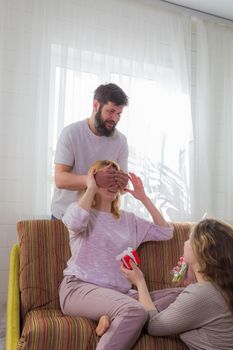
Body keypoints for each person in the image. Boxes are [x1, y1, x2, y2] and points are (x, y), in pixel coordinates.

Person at [59, 160, 174, 350]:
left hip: (119, 295)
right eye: (107, 177)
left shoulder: (129, 220)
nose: (113, 183)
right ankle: (115, 314)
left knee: (180, 295)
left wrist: (143, 198)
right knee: (134, 310)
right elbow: (75, 223)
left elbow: (165, 232)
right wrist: (91, 186)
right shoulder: (79, 211)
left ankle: (110, 316)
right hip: (79, 288)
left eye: (117, 178)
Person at [119, 218, 233, 350]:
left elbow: (153, 326)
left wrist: (139, 281)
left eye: (189, 239)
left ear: (199, 250)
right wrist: (191, 281)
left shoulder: (202, 294)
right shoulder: (218, 288)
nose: (185, 243)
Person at [51, 83, 129, 220]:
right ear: (96, 105)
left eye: (119, 114)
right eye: (110, 111)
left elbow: (122, 189)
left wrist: (123, 184)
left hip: (99, 221)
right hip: (64, 216)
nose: (115, 119)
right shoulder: (71, 133)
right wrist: (93, 180)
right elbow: (60, 179)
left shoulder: (121, 141)